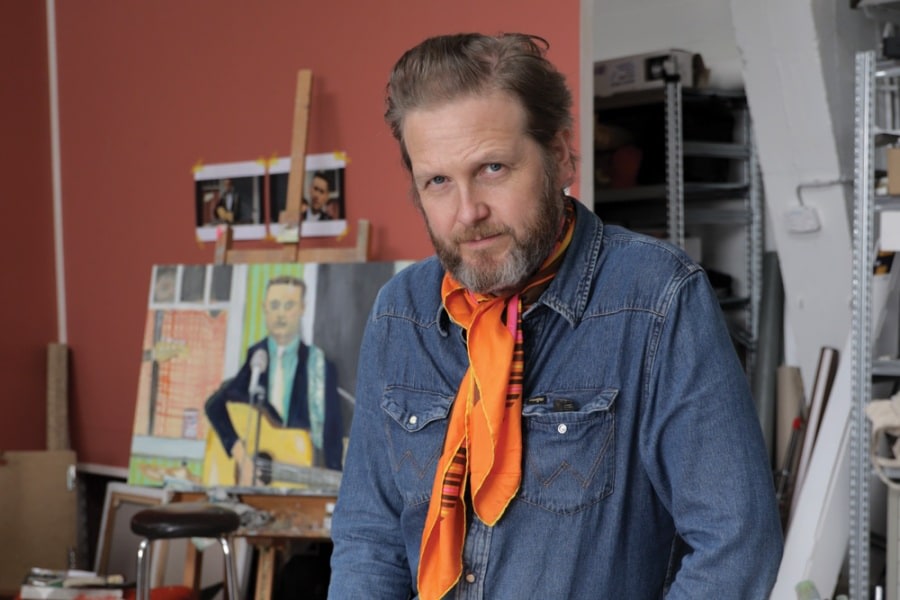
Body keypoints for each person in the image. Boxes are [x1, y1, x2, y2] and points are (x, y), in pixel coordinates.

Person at [328, 32, 783, 600]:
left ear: (563, 154)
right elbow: (368, 540)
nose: (468, 212)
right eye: (438, 181)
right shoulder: (401, 315)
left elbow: (737, 546)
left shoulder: (658, 300)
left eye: (492, 167)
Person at [205, 275, 343, 477]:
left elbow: (332, 433)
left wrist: (335, 485)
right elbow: (213, 406)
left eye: (289, 306)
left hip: (301, 473)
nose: (281, 314)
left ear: (302, 309)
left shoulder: (319, 365)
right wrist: (241, 456)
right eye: (275, 305)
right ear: (265, 308)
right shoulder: (256, 359)